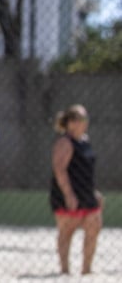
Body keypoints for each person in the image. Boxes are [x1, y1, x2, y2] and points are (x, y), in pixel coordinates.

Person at [50, 103, 103, 275]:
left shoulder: (85, 141)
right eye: (82, 119)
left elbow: (87, 171)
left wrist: (94, 192)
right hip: (67, 195)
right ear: (71, 122)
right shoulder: (65, 142)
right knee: (66, 233)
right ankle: (65, 270)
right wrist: (69, 195)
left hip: (86, 194)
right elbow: (59, 170)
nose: (86, 122)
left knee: (94, 227)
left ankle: (86, 269)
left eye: (86, 118)